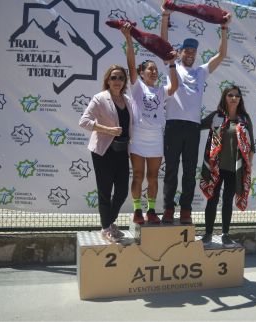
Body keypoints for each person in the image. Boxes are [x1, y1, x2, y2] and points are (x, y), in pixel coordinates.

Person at [160, 3, 232, 224]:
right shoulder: (172, 65)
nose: (190, 55)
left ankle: (186, 210)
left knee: (189, 172)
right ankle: (168, 209)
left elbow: (221, 54)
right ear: (180, 52)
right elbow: (163, 43)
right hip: (173, 125)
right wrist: (165, 16)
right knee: (171, 169)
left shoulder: (201, 71)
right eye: (186, 51)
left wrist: (223, 28)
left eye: (193, 52)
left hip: (192, 128)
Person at [120, 23, 178, 225]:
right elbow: (130, 63)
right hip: (137, 137)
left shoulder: (161, 90)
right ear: (142, 73)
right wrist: (128, 38)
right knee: (137, 175)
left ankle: (151, 210)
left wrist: (171, 63)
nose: (153, 72)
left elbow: (175, 85)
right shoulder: (136, 87)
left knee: (153, 177)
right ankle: (137, 211)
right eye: (150, 69)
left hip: (155, 139)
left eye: (155, 69)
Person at [79, 65, 133, 243]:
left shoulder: (128, 100)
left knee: (123, 191)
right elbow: (84, 122)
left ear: (125, 81)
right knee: (105, 191)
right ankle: (106, 227)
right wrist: (108, 130)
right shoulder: (100, 98)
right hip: (103, 151)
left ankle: (108, 222)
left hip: (122, 151)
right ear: (108, 80)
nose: (117, 81)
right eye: (114, 77)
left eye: (121, 78)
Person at [199, 85, 255, 244]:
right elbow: (197, 125)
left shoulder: (244, 118)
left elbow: (252, 144)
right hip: (216, 167)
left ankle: (225, 233)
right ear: (225, 97)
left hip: (234, 168)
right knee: (212, 199)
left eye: (237, 96)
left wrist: (249, 165)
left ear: (240, 99)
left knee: (227, 200)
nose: (234, 98)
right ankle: (208, 233)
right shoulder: (216, 116)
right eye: (230, 95)